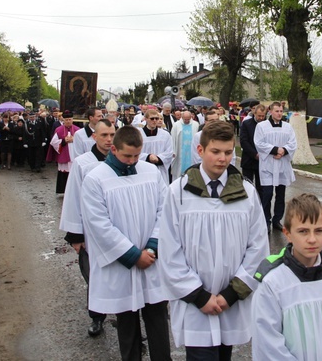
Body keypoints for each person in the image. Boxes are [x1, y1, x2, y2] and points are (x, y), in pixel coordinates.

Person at [159, 120, 268, 359]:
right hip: (195, 303)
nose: (223, 158)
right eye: (215, 151)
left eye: (228, 152)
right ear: (200, 151)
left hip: (231, 301)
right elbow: (169, 251)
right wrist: (199, 296)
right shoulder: (178, 193)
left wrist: (231, 294)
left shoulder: (246, 193)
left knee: (224, 354)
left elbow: (258, 248)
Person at [80, 126, 171, 361]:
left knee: (158, 319)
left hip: (151, 260)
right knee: (127, 323)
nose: (132, 161)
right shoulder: (95, 179)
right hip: (122, 264)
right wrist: (132, 255)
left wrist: (152, 247)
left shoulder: (151, 172)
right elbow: (98, 225)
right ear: (113, 149)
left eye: (136, 155)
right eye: (126, 156)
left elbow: (166, 211)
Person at [251, 193, 322, 360]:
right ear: (287, 233)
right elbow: (268, 343)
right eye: (303, 231)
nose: (312, 239)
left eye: (319, 231)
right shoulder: (273, 282)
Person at [60, 119, 116, 337]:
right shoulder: (83, 163)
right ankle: (97, 317)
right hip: (90, 233)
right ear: (94, 136)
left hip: (114, 229)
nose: (109, 140)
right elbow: (73, 197)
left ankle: (124, 317)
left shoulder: (121, 161)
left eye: (112, 135)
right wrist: (76, 235)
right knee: (94, 277)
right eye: (104, 135)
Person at [254, 101, 297, 232]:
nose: (279, 113)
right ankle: (266, 220)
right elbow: (259, 143)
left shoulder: (288, 127)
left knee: (280, 194)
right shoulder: (262, 126)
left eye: (281, 111)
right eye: (276, 111)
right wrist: (275, 150)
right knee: (267, 194)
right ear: (270, 111)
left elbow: (293, 143)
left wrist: (283, 150)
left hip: (282, 164)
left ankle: (277, 219)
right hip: (268, 164)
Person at [47, 110, 80, 194]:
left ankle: (74, 191)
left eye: (70, 119)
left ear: (72, 120)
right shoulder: (59, 130)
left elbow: (82, 142)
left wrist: (74, 139)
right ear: (63, 120)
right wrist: (64, 141)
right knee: (64, 173)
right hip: (64, 154)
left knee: (74, 173)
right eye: (66, 120)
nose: (68, 121)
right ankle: (64, 190)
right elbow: (53, 142)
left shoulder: (78, 130)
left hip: (74, 155)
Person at [139, 108, 175, 185]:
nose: (155, 120)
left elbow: (169, 152)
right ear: (145, 119)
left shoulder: (165, 135)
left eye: (157, 118)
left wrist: (158, 158)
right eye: (152, 118)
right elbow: (134, 152)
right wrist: (148, 157)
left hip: (160, 169)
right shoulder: (138, 134)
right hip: (144, 170)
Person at [239, 104, 266, 193]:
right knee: (247, 187)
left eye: (263, 116)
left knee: (261, 188)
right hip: (248, 160)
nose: (261, 118)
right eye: (259, 116)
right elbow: (244, 141)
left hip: (262, 162)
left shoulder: (267, 125)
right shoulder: (246, 124)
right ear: (254, 114)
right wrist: (255, 154)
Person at [171, 110, 200, 177]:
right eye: (185, 119)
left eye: (188, 119)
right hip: (180, 150)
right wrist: (173, 151)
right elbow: (173, 138)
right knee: (179, 168)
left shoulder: (195, 124)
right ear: (182, 117)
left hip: (191, 150)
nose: (186, 121)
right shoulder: (176, 125)